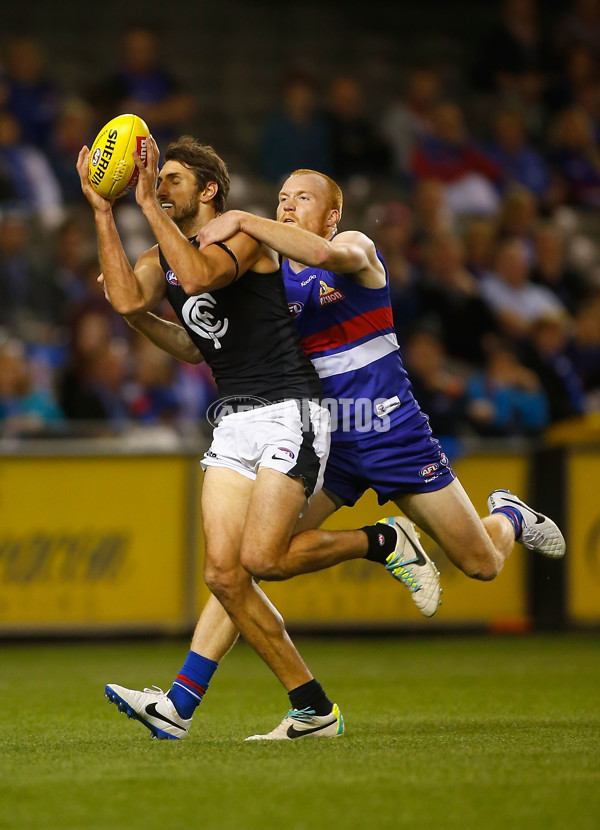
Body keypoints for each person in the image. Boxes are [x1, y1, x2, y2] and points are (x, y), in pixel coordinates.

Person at [106, 167, 566, 740]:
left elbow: (326, 254)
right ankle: (182, 697)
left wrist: (248, 218)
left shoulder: (352, 247)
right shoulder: (270, 272)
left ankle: (509, 517)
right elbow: (212, 337)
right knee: (250, 564)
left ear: (332, 215)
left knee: (481, 564)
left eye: (303, 198)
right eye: (281, 198)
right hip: (330, 439)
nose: (288, 205)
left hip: (394, 432)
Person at [77, 136, 436, 742]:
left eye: (171, 180)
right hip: (233, 420)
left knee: (263, 559)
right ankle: (307, 707)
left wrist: (146, 207)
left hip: (289, 411)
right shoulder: (164, 248)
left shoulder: (244, 236)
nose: (159, 186)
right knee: (224, 575)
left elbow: (193, 278)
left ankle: (382, 540)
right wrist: (102, 210)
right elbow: (125, 299)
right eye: (155, 179)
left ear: (209, 190)